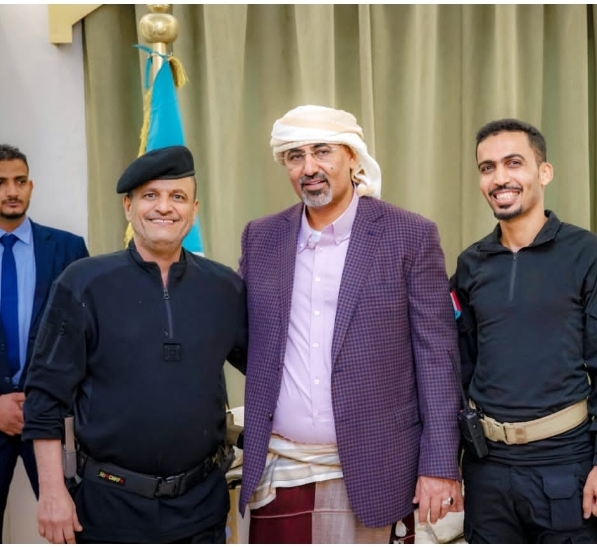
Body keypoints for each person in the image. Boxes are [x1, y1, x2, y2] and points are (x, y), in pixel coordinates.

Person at [238, 105, 462, 544]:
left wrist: (439, 464)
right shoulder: (261, 238)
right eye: (295, 156)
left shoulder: (408, 235)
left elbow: (437, 358)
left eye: (322, 151)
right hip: (281, 472)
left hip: (378, 473)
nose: (309, 168)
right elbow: (245, 339)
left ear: (353, 157)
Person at [21, 145, 248, 543]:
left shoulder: (224, 287)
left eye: (177, 197)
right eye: (150, 195)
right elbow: (44, 396)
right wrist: (52, 492)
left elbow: (269, 369)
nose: (164, 207)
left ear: (194, 210)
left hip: (202, 508)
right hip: (108, 507)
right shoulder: (82, 283)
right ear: (128, 207)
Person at [450, 118, 597, 543]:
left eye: (514, 163)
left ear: (544, 172)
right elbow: (459, 366)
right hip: (487, 468)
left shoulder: (588, 254)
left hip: (565, 464)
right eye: (487, 167)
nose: (500, 178)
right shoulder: (470, 265)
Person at [0, 144, 88, 541]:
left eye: (20, 181)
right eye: (1, 182)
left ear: (31, 186)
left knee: (75, 530)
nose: (11, 191)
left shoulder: (69, 249)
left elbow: (86, 336)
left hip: (54, 419)